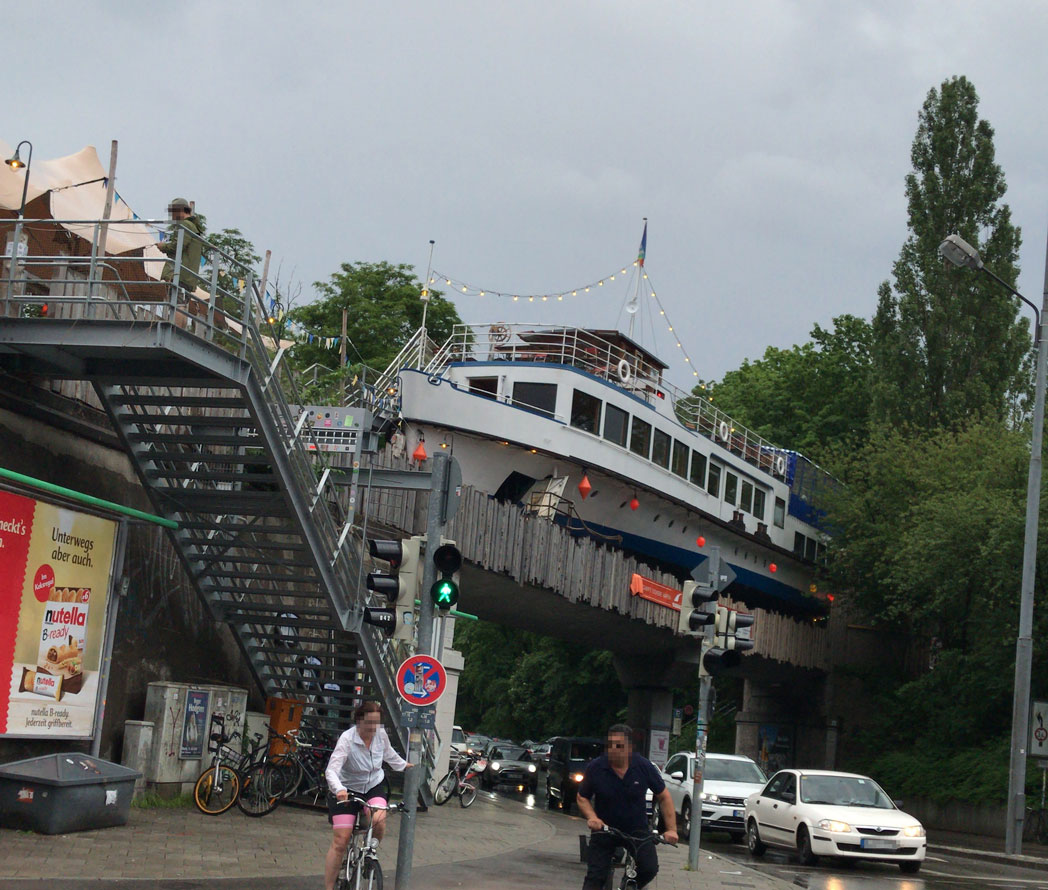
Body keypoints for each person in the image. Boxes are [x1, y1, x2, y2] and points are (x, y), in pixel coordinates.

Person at [576, 724, 678, 890]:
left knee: (649, 868)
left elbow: (664, 796)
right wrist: (592, 818)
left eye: (619, 745)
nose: (614, 749)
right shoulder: (596, 767)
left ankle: (630, 885)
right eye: (610, 745)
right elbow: (582, 797)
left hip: (636, 829)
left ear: (630, 748)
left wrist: (671, 829)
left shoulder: (643, 767)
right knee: (595, 877)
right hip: (605, 829)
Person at [323, 701, 413, 890]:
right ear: (359, 721)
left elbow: (389, 754)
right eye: (370, 723)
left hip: (373, 785)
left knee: (379, 819)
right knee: (341, 840)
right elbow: (332, 770)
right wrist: (339, 789)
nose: (373, 728)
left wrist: (404, 766)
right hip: (347, 789)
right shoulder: (347, 739)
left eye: (377, 723)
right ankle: (329, 886)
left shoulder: (380, 734)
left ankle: (368, 853)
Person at [157, 198, 205, 292]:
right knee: (180, 304)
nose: (172, 215)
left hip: (180, 276)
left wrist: (163, 246)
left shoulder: (185, 225)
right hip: (187, 277)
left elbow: (177, 247)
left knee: (177, 303)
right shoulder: (193, 226)